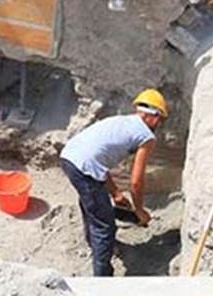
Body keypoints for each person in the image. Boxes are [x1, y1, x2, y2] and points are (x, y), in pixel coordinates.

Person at [59, 88, 168, 276]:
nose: (159, 123)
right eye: (160, 119)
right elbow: (136, 181)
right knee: (104, 226)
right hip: (84, 167)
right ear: (153, 116)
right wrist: (140, 210)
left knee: (92, 204)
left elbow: (99, 162)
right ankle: (102, 281)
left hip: (69, 157)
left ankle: (92, 241)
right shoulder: (146, 136)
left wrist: (116, 194)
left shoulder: (122, 121)